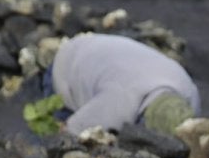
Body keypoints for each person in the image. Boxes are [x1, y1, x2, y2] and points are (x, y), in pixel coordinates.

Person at [42, 33, 200, 137]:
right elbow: (71, 131)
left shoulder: (189, 93)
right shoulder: (119, 102)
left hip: (111, 53)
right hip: (68, 63)